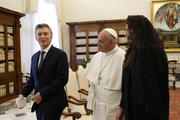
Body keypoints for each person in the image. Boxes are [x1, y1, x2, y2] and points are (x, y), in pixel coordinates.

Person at [116, 15, 169, 120]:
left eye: (128, 30)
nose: (125, 34)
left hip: (149, 112)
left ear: (137, 31)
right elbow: (127, 82)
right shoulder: (132, 50)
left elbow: (153, 87)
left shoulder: (155, 51)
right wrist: (122, 107)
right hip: (132, 108)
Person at [16, 23, 69, 120]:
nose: (42, 37)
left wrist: (42, 93)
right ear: (36, 37)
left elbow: (62, 79)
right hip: (39, 102)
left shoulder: (60, 55)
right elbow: (32, 79)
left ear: (51, 36)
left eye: (45, 34)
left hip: (54, 100)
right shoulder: (34, 57)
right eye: (39, 34)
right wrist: (22, 94)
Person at [85, 28, 125, 120]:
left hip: (114, 107)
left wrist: (122, 109)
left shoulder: (123, 57)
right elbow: (93, 85)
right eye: (98, 41)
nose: (98, 44)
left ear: (112, 42)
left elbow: (126, 89)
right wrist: (90, 104)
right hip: (98, 106)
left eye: (101, 41)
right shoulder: (96, 57)